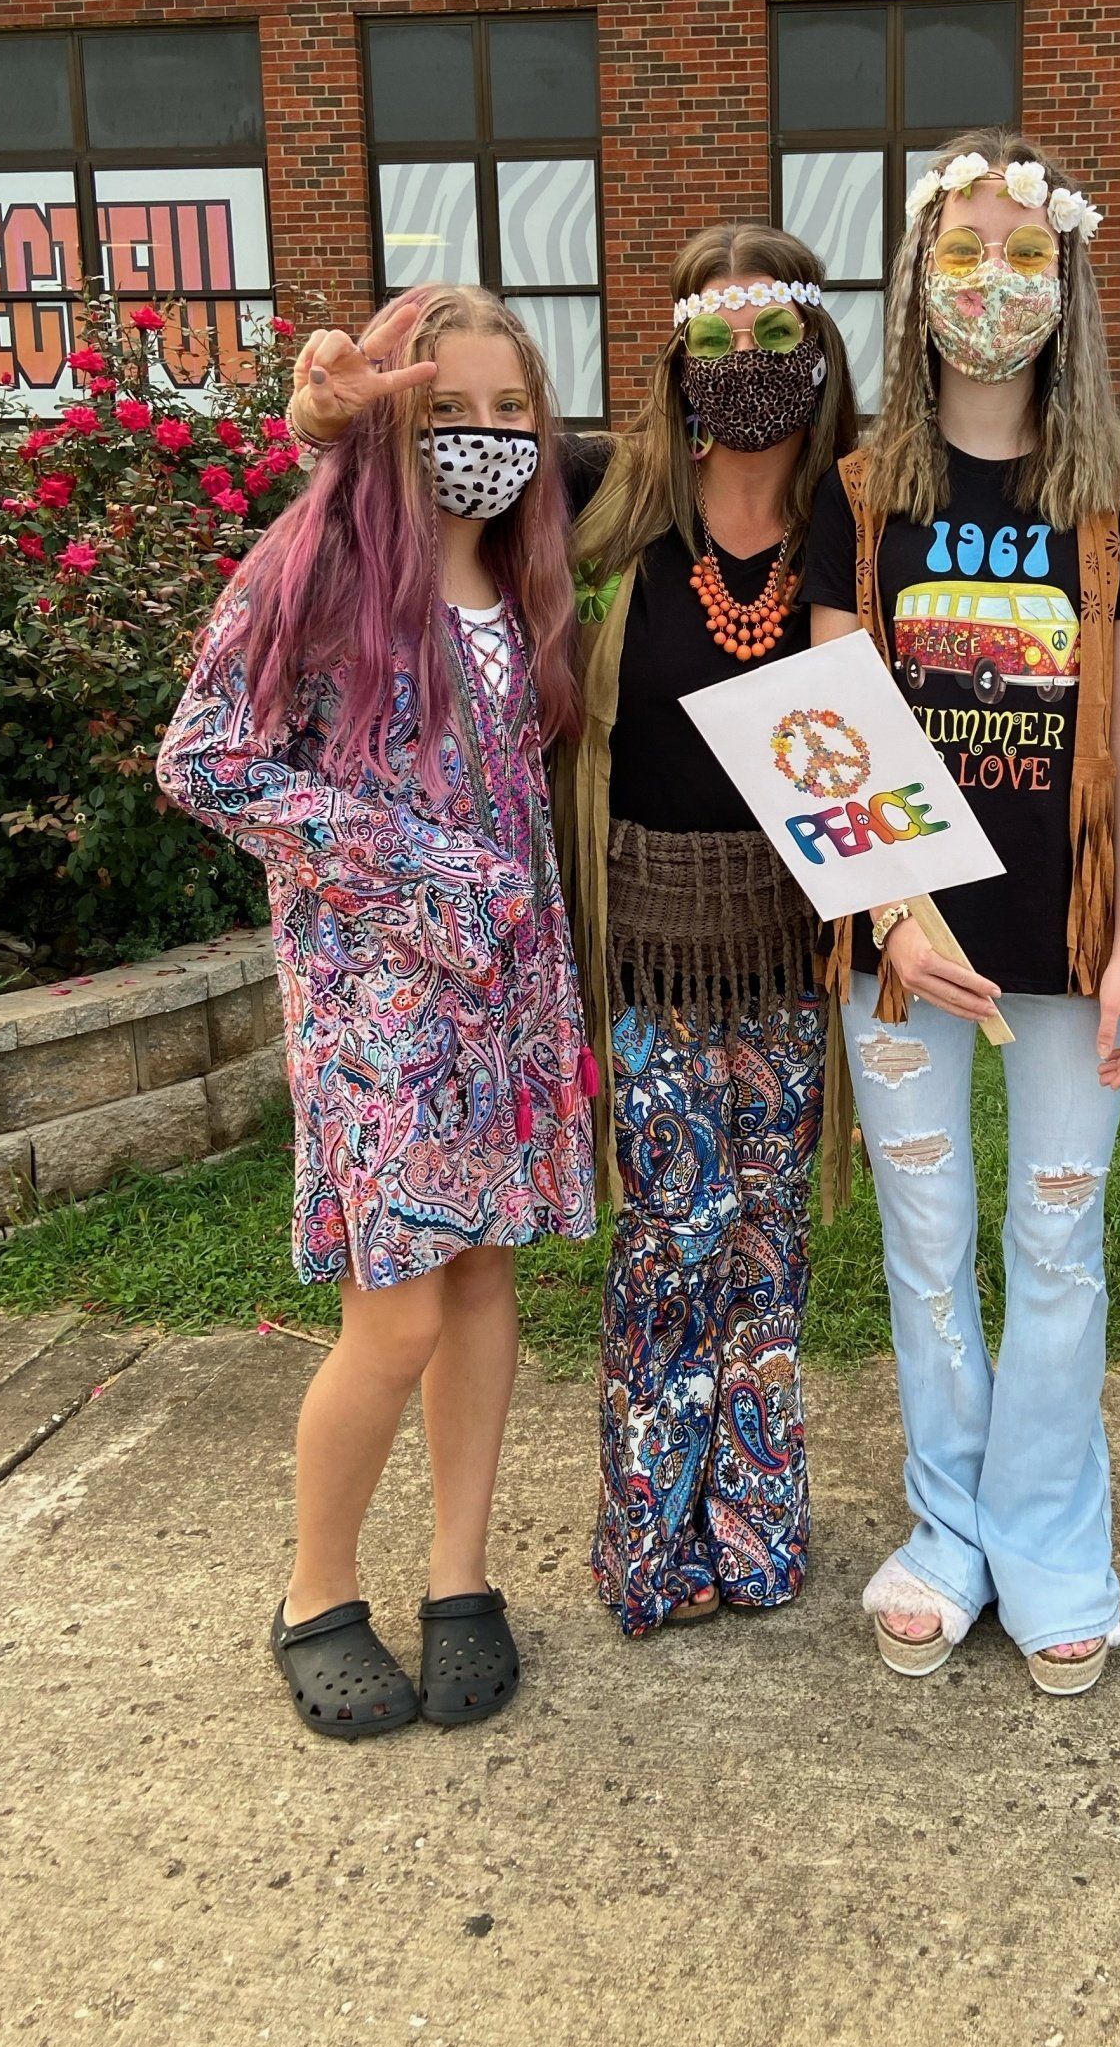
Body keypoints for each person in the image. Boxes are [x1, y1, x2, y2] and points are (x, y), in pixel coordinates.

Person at [157, 285, 595, 1740]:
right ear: (386, 417)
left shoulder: (530, 577)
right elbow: (207, 758)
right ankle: (314, 1592)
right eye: (444, 409)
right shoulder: (322, 562)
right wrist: (421, 870)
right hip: (377, 1010)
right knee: (391, 1319)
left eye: (506, 412)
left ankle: (459, 1580)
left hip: (510, 1009)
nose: (480, 438)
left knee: (481, 1288)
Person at [803, 131, 1120, 1697]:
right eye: (966, 252)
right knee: (930, 1243)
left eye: (1027, 256)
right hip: (909, 955)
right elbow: (827, 710)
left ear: (1069, 281)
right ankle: (950, 1528)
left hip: (1070, 941)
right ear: (917, 280)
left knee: (1062, 1242)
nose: (995, 282)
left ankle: (1052, 1537)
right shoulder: (862, 491)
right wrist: (892, 915)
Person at [557, 227, 858, 1636]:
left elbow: (1051, 484)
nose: (747, 373)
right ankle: (651, 1538)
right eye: (718, 345)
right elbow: (415, 463)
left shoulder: (858, 522)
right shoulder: (609, 507)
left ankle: (754, 1521)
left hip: (791, 952)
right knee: (663, 1248)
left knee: (767, 1251)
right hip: (648, 953)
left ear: (822, 354)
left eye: (777, 343)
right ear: (677, 359)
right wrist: (332, 401)